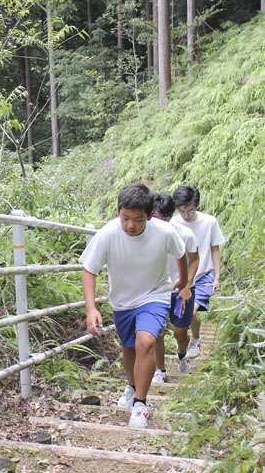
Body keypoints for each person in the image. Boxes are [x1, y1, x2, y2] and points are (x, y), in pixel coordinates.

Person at [79, 182, 188, 428]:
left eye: (138, 220)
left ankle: (140, 403)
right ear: (118, 211)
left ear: (150, 216)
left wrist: (184, 281)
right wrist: (91, 308)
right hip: (123, 301)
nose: (130, 225)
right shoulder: (107, 234)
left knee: (146, 341)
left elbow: (181, 254)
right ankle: (131, 387)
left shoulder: (165, 232)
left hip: (155, 294)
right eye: (125, 218)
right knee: (129, 349)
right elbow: (89, 269)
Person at [151, 193, 199, 382]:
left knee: (180, 333)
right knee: (158, 333)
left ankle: (182, 354)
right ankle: (161, 371)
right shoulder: (143, 233)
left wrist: (187, 285)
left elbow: (195, 259)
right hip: (157, 291)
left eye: (161, 220)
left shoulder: (184, 234)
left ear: (170, 217)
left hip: (182, 290)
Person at [172, 184, 225, 358]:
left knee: (191, 310)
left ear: (197, 206)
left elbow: (215, 249)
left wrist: (217, 277)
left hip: (204, 274)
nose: (186, 216)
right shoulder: (173, 223)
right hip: (182, 275)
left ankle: (194, 339)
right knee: (186, 313)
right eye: (182, 211)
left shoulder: (209, 222)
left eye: (191, 211)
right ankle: (195, 337)